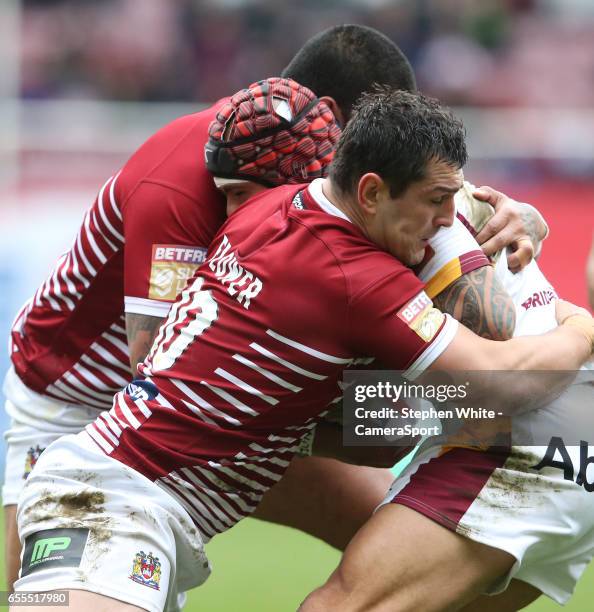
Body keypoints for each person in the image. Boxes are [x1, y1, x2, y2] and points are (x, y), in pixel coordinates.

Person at [2, 24, 546, 590]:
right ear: (332, 118)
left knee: (414, 558)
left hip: (215, 406)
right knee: (42, 590)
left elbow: (449, 222)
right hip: (75, 396)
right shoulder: (182, 176)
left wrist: (516, 219)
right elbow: (156, 358)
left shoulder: (336, 182)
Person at [300, 184, 594, 611]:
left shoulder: (400, 199)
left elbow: (398, 429)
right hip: (570, 426)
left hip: (523, 433)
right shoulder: (409, 186)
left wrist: (582, 329)